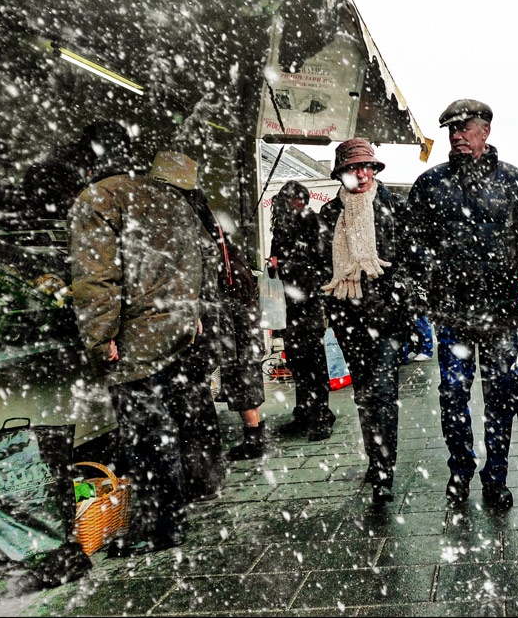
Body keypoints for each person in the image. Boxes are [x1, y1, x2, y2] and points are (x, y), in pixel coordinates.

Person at [69, 128, 221, 556]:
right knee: (165, 426)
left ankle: (160, 527)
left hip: (135, 335)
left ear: (90, 164)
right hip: (175, 329)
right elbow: (206, 256)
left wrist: (100, 337)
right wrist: (192, 312)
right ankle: (171, 514)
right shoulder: (172, 199)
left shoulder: (99, 198)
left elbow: (94, 276)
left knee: (146, 435)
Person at [408, 99, 518, 511]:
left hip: (500, 313)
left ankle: (496, 476)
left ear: (486, 131)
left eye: (465, 128)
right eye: (451, 130)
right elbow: (413, 247)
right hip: (452, 313)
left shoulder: (514, 182)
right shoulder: (430, 184)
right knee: (453, 396)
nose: (457, 136)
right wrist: (426, 284)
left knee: (500, 397)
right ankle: (460, 470)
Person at [152, 150, 268, 461]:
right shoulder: (217, 233)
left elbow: (201, 283)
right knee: (243, 372)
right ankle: (254, 435)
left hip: (230, 317)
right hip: (241, 315)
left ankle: (251, 441)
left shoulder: (196, 235)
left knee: (235, 374)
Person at [320, 138, 414, 504]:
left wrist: (398, 292)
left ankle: (384, 471)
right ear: (340, 174)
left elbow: (414, 258)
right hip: (348, 316)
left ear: (374, 170)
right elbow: (319, 266)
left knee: (384, 394)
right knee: (363, 395)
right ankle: (375, 461)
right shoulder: (329, 215)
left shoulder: (394, 208)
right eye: (352, 168)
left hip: (387, 317)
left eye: (366, 167)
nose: (361, 174)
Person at [270, 180, 335, 441]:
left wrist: (287, 266)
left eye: (291, 200)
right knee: (297, 360)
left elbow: (323, 265)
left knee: (313, 361)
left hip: (308, 303)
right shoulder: (282, 226)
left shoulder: (313, 223)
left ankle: (320, 414)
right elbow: (279, 259)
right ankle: (305, 412)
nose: (288, 204)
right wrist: (276, 265)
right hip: (289, 303)